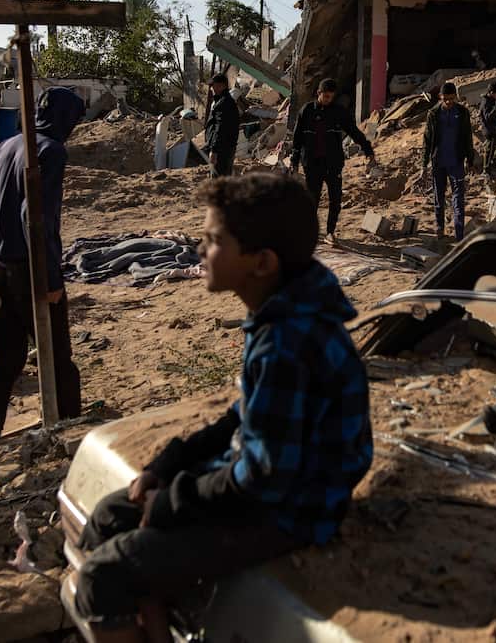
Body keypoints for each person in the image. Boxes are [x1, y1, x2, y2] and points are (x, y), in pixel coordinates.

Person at [69, 172, 373, 643]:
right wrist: (170, 463)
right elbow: (242, 415)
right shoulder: (281, 313)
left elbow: (265, 478)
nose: (198, 251)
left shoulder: (287, 342)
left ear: (261, 263)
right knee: (109, 517)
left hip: (291, 511)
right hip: (265, 485)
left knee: (100, 578)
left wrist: (174, 499)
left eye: (212, 241)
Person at [0, 86, 87, 444]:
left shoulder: (9, 144)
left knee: (6, 355)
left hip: (1, 267)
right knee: (58, 360)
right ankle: (70, 433)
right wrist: (50, 279)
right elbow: (37, 220)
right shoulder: (50, 152)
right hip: (31, 271)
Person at [290, 78, 377, 245]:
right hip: (312, 163)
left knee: (335, 199)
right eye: (326, 96)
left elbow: (353, 131)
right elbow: (297, 138)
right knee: (312, 199)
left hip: (333, 163)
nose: (328, 100)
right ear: (319, 93)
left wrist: (367, 149)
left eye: (331, 97)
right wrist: (294, 161)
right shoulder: (307, 110)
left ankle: (330, 232)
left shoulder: (338, 112)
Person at [423, 81, 475, 241]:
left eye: (452, 98)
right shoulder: (433, 114)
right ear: (440, 97)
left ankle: (459, 233)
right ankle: (440, 228)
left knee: (458, 198)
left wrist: (470, 159)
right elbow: (427, 139)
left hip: (457, 161)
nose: (449, 102)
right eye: (446, 99)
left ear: (456, 97)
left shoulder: (462, 112)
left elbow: (468, 136)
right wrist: (424, 164)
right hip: (438, 161)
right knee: (439, 196)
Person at [204, 73, 239, 178]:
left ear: (221, 86)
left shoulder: (223, 103)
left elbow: (221, 129)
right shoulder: (224, 101)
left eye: (213, 85)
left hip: (222, 151)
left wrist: (214, 150)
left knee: (218, 182)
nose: (211, 88)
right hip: (225, 148)